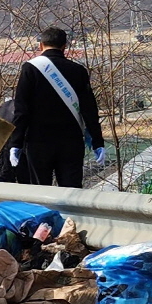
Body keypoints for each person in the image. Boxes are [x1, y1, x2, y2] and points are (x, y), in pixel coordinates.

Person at [9, 26, 104, 188]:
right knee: (71, 191)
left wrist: (15, 143)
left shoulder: (30, 69)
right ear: (64, 47)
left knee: (40, 192)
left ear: (41, 45)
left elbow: (21, 110)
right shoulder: (78, 70)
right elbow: (90, 110)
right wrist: (97, 141)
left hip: (38, 141)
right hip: (71, 142)